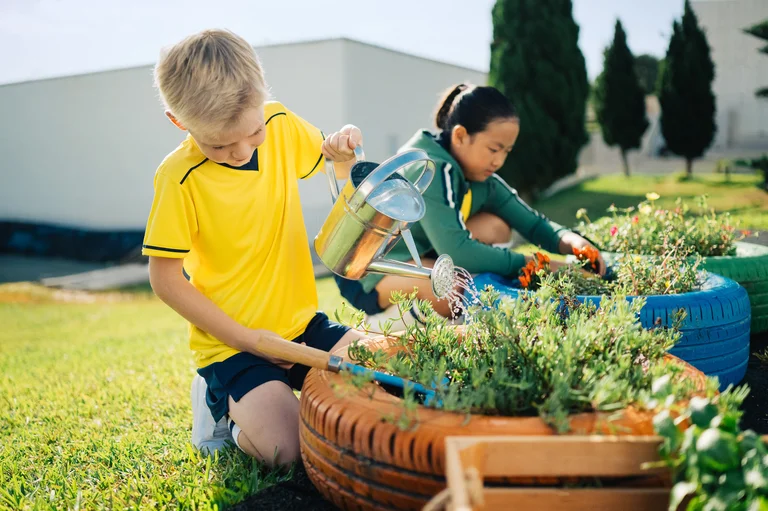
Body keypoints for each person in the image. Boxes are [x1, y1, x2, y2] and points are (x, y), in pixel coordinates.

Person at [143, 29, 364, 466]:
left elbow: (336, 171)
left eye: (253, 133)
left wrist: (344, 153)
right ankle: (219, 407)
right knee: (289, 450)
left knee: (378, 382)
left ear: (263, 97)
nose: (241, 151)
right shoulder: (177, 178)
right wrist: (247, 339)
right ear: (179, 121)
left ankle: (265, 400)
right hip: (233, 345)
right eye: (219, 144)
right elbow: (165, 279)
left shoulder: (280, 122)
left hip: (301, 327)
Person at [335, 84, 605, 327]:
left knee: (496, 227)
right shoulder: (429, 168)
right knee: (453, 286)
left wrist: (573, 242)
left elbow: (533, 224)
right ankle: (389, 323)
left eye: (506, 151)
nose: (499, 160)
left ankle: (458, 296)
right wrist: (537, 265)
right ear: (461, 136)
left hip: (420, 254)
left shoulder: (482, 178)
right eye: (493, 149)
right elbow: (458, 252)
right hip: (369, 270)